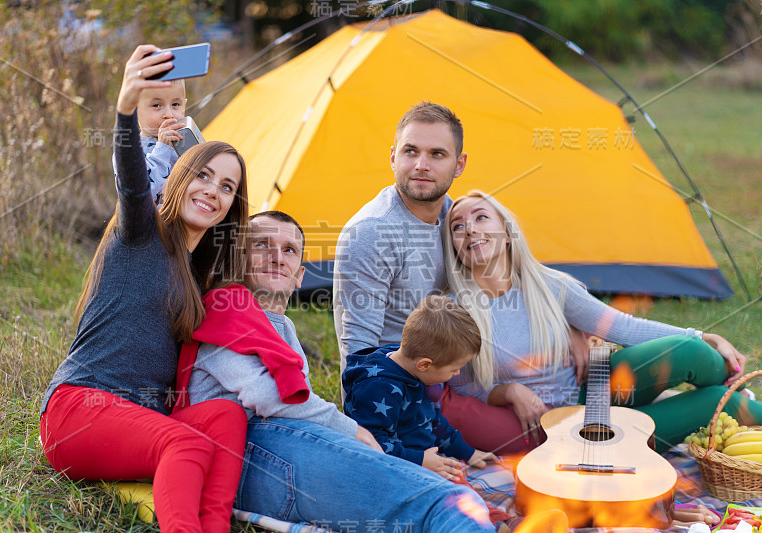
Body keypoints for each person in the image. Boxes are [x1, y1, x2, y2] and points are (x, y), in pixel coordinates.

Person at [40, 45, 259, 533]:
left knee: (225, 417)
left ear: (232, 204)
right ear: (177, 176)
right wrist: (124, 108)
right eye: (201, 175)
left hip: (141, 420)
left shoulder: (199, 274)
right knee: (186, 444)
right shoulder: (139, 232)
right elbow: (133, 182)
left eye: (226, 186)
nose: (212, 190)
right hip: (81, 407)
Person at [186, 210, 497, 533]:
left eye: (289, 249)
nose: (277, 257)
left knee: (424, 503)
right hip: (246, 454)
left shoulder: (284, 327)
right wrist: (350, 430)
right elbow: (268, 398)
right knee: (445, 503)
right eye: (261, 245)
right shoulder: (225, 313)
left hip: (279, 449)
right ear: (237, 261)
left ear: (300, 276)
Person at [441, 189, 760, 454]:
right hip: (574, 429)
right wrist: (509, 391)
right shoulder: (459, 312)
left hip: (596, 386)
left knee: (692, 350)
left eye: (481, 217)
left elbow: (620, 326)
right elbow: (463, 387)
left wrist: (706, 336)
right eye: (457, 226)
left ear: (508, 232)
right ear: (454, 247)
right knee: (713, 405)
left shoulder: (548, 286)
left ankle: (730, 379)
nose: (469, 229)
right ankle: (726, 400)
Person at [333, 101, 466, 368]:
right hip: (398, 386)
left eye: (437, 154)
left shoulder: (456, 217)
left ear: (459, 165)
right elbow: (359, 350)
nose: (421, 165)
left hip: (452, 368)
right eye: (411, 151)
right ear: (394, 157)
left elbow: (510, 285)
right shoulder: (371, 232)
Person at [342, 295, 494, 478]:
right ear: (424, 364)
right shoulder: (378, 388)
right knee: (460, 498)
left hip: (421, 461)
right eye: (454, 369)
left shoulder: (416, 372)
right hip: (395, 474)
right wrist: (420, 460)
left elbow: (433, 421)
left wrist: (468, 453)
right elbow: (370, 445)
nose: (457, 374)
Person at [112, 76, 186, 205]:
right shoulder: (129, 151)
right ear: (135, 110)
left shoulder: (185, 142)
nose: (169, 114)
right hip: (152, 223)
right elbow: (140, 193)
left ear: (184, 105)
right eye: (156, 105)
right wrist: (162, 148)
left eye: (175, 104)